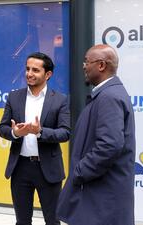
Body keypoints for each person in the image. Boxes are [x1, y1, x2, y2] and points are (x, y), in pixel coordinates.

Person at [56, 44, 136, 225]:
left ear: (101, 65)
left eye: (87, 61)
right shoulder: (108, 94)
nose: (84, 66)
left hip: (102, 199)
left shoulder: (109, 97)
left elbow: (110, 145)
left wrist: (79, 171)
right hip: (101, 196)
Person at [0, 52, 70, 225]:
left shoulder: (60, 100)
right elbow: (2, 128)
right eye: (27, 69)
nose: (29, 73)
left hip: (48, 169)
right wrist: (15, 133)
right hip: (20, 168)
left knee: (52, 221)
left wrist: (40, 132)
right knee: (22, 221)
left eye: (35, 70)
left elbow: (65, 132)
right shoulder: (14, 97)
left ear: (48, 75)